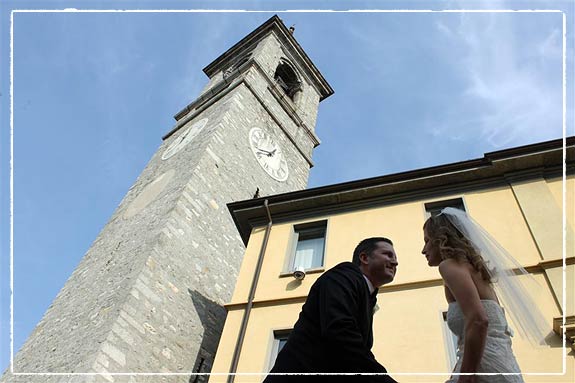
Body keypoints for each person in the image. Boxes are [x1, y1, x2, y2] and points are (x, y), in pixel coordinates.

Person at [422, 207, 548, 383]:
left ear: (441, 239)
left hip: (484, 370)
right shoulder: (479, 273)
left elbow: (479, 320)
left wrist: (466, 375)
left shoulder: (449, 266)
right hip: (504, 367)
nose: (423, 249)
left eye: (427, 241)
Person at [263, 237, 399, 382]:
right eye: (388, 254)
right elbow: (340, 333)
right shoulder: (342, 278)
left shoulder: (365, 294)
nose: (395, 262)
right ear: (364, 258)